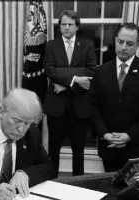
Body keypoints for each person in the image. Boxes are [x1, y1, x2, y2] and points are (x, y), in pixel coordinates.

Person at [90, 23, 139, 172]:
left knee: (138, 193)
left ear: (138, 45)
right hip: (109, 147)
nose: (123, 47)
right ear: (115, 40)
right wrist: (104, 134)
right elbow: (92, 107)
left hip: (138, 148)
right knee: (112, 192)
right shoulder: (100, 71)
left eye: (129, 44)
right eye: (120, 42)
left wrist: (129, 136)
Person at [43, 10, 97, 176]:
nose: (66, 28)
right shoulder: (51, 45)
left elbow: (92, 70)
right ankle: (51, 183)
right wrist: (75, 78)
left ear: (77, 27)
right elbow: (50, 70)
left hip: (79, 106)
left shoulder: (87, 44)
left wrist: (67, 84)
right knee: (53, 149)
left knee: (78, 149)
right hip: (56, 107)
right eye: (63, 24)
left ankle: (78, 185)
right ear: (60, 27)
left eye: (70, 24)